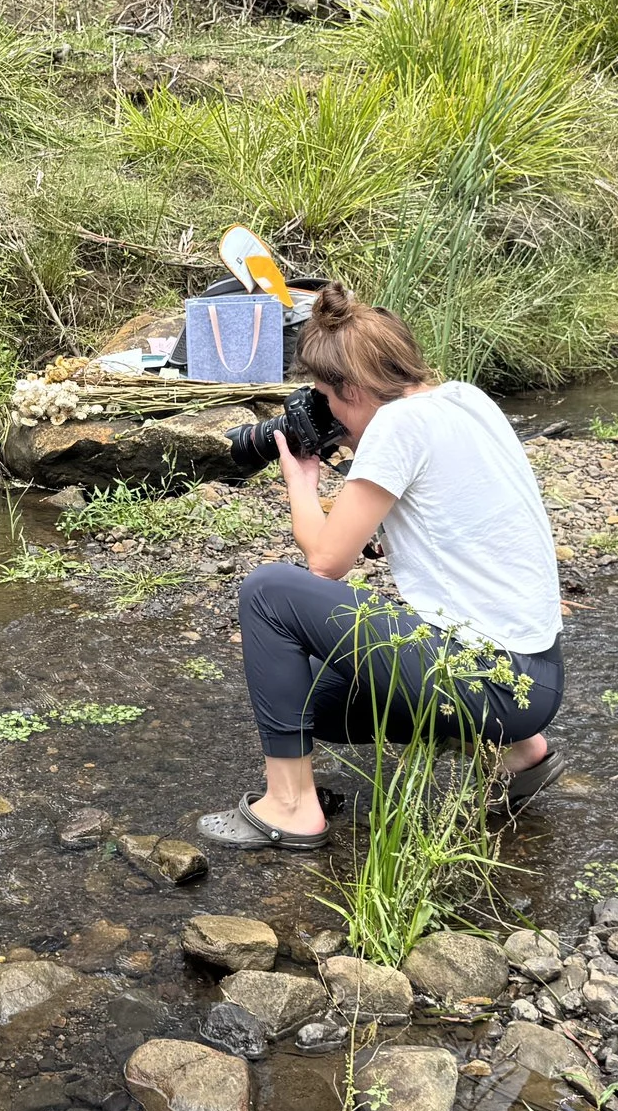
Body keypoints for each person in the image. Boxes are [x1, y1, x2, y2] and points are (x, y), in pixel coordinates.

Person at [198, 285, 565, 849]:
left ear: (352, 388)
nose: (326, 412)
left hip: (487, 684)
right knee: (310, 703)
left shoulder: (397, 426)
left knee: (269, 590)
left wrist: (301, 482)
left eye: (326, 397)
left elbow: (325, 563)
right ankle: (517, 756)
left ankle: (291, 808)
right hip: (534, 684)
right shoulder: (466, 400)